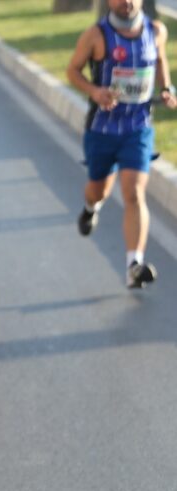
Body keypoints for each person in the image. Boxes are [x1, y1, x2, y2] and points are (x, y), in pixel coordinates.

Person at [67, 0, 175, 288]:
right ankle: (90, 207)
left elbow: (160, 60)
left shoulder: (156, 31)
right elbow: (73, 70)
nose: (126, 1)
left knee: (134, 193)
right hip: (102, 129)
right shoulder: (96, 35)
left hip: (138, 127)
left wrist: (166, 88)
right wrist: (94, 91)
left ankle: (133, 265)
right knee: (98, 190)